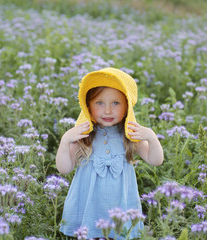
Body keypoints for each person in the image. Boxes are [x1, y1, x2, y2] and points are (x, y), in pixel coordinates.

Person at [56, 67, 164, 239]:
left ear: (127, 107)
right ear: (88, 107)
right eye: (99, 103)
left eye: (116, 103)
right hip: (89, 205)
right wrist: (65, 140)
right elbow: (64, 168)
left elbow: (155, 160)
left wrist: (151, 137)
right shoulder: (85, 135)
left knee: (118, 233)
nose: (107, 110)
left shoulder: (130, 135)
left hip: (120, 204)